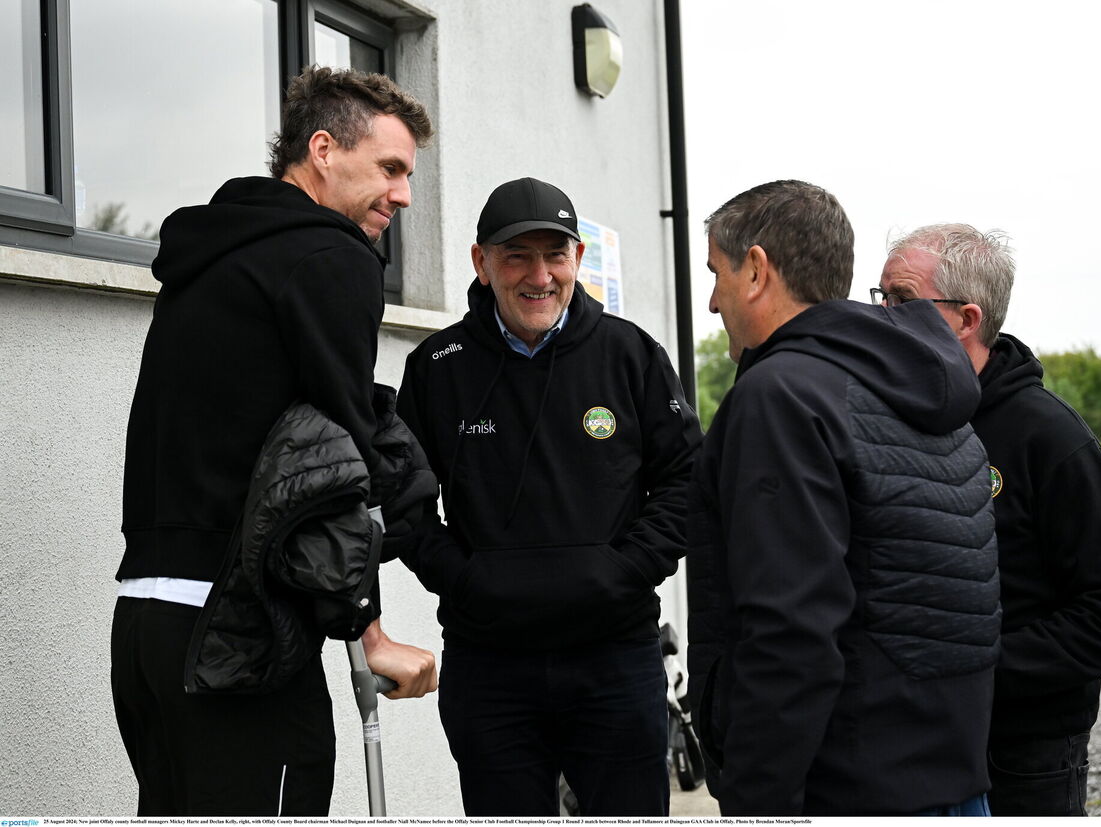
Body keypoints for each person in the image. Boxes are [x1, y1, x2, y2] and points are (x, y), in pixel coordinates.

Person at [112, 66, 438, 816]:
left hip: (145, 628)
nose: (404, 195)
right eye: (390, 168)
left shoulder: (212, 257)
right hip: (235, 644)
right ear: (323, 150)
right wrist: (370, 629)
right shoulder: (332, 257)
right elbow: (337, 463)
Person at [686, 180, 1002, 816]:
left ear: (756, 270)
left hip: (847, 789)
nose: (714, 301)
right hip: (951, 782)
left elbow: (790, 631)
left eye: (717, 273)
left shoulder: (783, 396)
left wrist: (759, 801)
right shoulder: (921, 385)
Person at [394, 177, 702, 816]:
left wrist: (622, 571)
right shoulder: (436, 367)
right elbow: (405, 500)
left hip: (614, 660)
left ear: (578, 260)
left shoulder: (631, 355)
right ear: (481, 263)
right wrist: (466, 578)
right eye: (517, 256)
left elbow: (685, 480)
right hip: (490, 667)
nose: (540, 275)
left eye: (555, 255)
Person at [878, 224, 1101, 816]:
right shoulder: (899, 421)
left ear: (966, 319)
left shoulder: (1049, 438)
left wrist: (975, 670)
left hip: (1024, 753)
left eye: (899, 300)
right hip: (916, 741)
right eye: (877, 299)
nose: (881, 318)